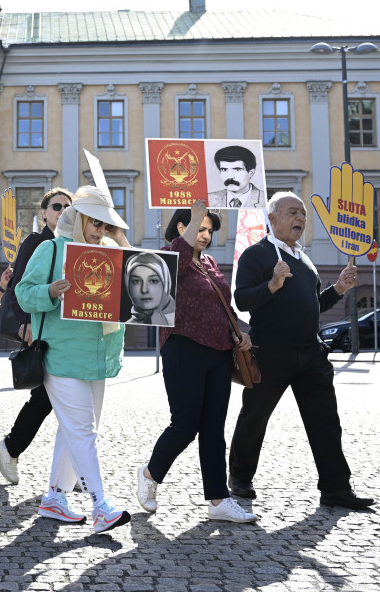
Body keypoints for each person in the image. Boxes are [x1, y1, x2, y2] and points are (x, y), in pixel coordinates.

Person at [227, 191, 373, 510]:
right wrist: (272, 285)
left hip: (310, 353)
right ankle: (239, 478)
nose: (300, 219)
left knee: (325, 421)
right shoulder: (257, 255)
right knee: (255, 417)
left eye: (304, 214)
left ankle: (336, 488)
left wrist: (339, 289)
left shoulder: (305, 261)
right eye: (293, 212)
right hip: (271, 352)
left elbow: (313, 306)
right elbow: (242, 300)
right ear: (273, 218)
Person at [15, 185, 131, 533]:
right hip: (62, 356)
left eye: (104, 224)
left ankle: (53, 499)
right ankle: (101, 505)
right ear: (77, 218)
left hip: (99, 356)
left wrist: (122, 243)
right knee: (82, 429)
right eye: (94, 222)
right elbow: (23, 294)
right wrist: (49, 292)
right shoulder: (51, 249)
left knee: (74, 429)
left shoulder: (112, 249)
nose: (99, 230)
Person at [135, 200, 258, 524]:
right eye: (200, 229)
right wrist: (196, 214)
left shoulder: (210, 263)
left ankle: (218, 499)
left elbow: (223, 306)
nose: (206, 235)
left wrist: (239, 333)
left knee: (213, 429)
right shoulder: (171, 257)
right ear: (183, 226)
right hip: (183, 348)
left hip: (218, 352)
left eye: (209, 230)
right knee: (185, 425)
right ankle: (150, 474)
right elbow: (176, 259)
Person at [0, 188, 72, 485]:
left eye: (68, 207)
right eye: (56, 206)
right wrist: (25, 324)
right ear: (44, 213)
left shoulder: (75, 245)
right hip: (43, 331)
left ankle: (69, 467)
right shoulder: (37, 242)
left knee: (63, 401)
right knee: (48, 399)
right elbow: (19, 287)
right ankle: (11, 447)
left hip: (69, 333)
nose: (62, 211)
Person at [124, 252, 177, 326]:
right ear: (128, 285)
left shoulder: (182, 321)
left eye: (153, 281)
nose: (144, 290)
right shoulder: (126, 325)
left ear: (165, 284)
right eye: (136, 281)